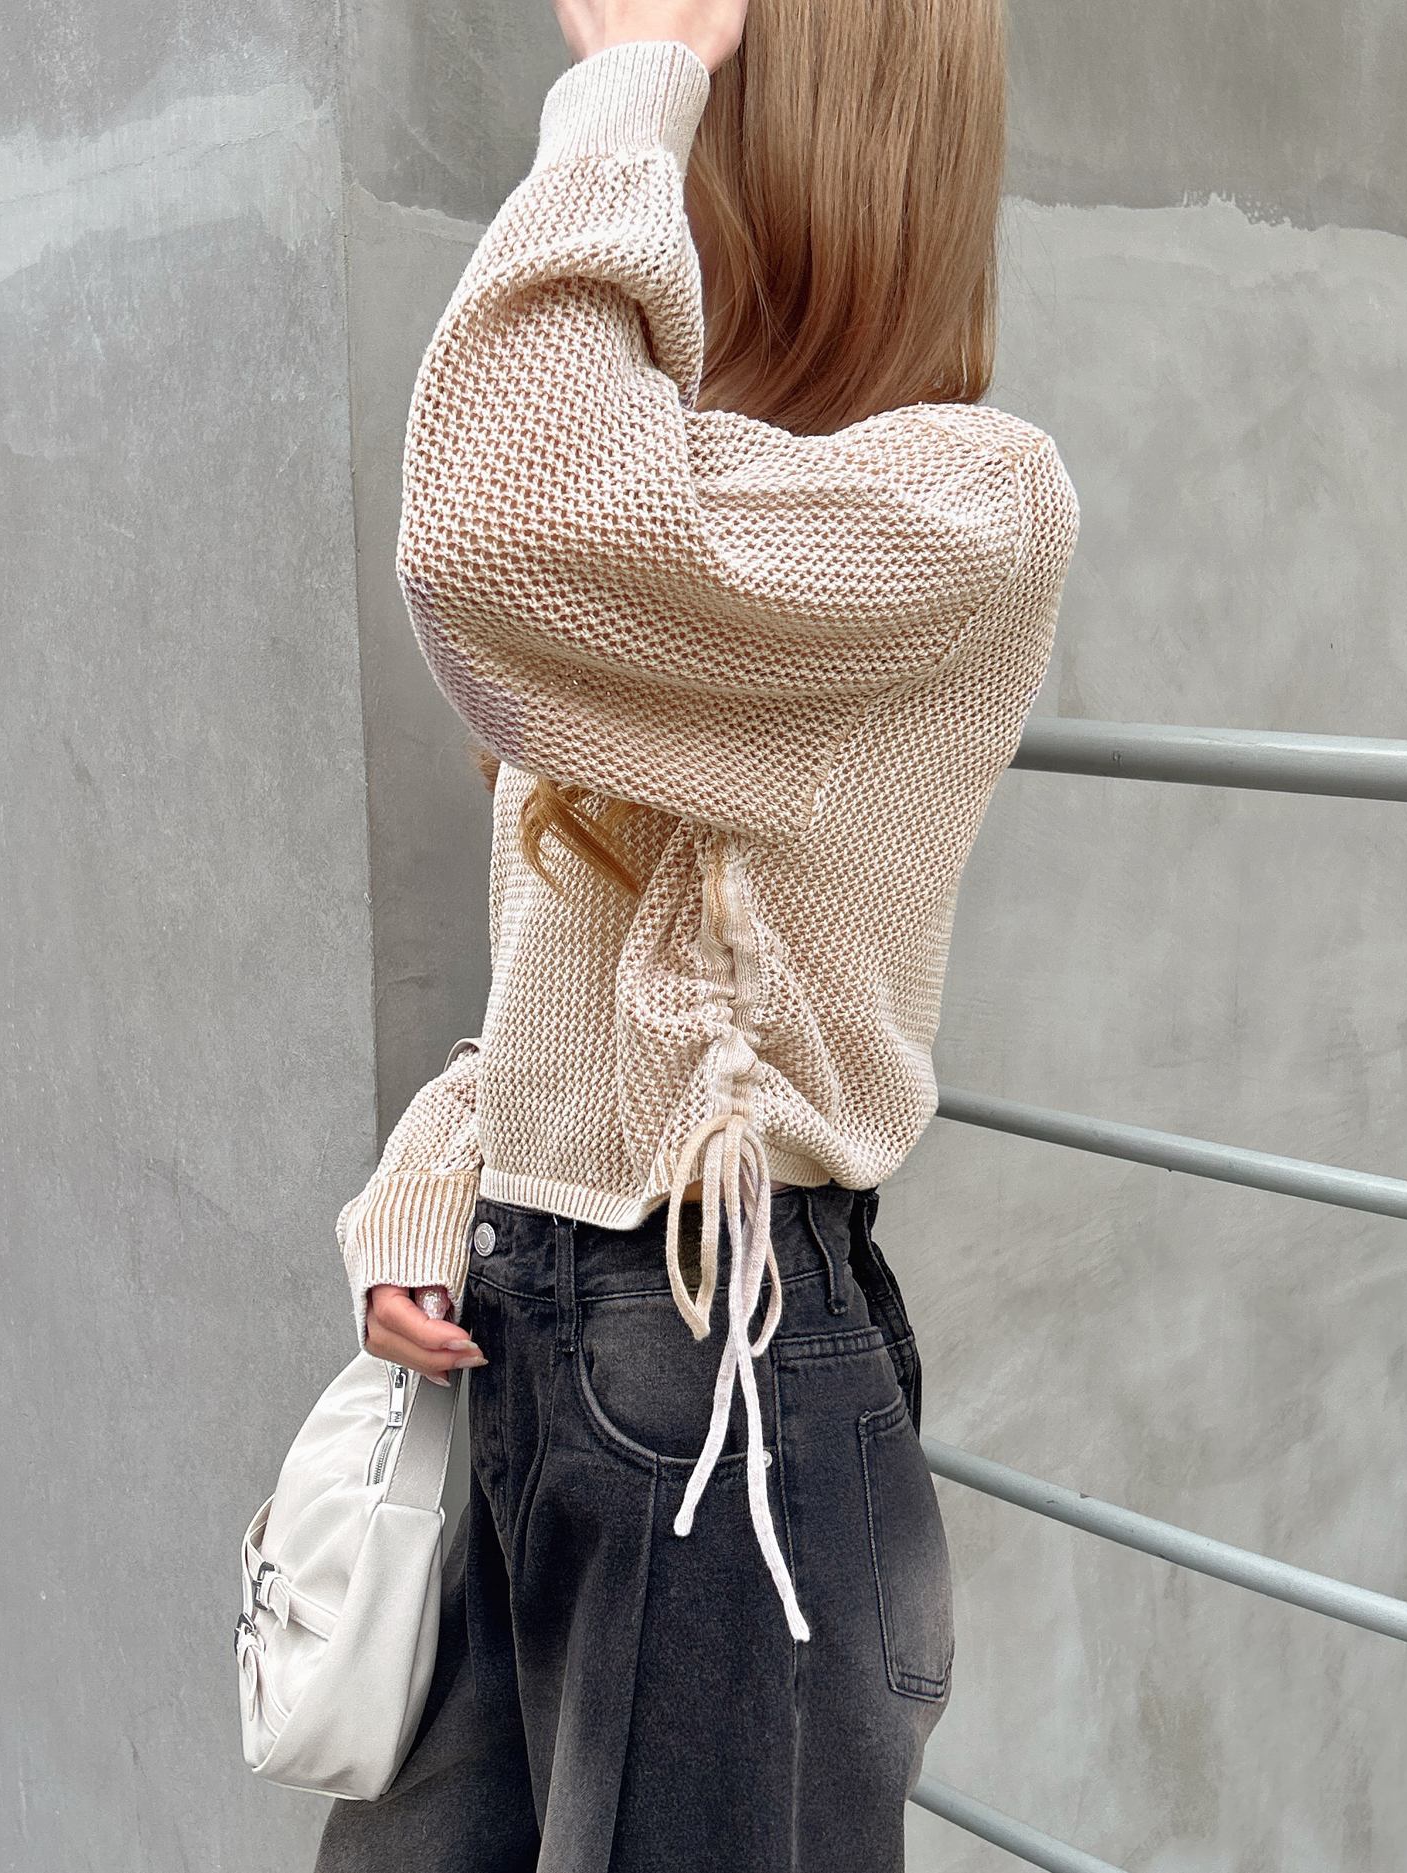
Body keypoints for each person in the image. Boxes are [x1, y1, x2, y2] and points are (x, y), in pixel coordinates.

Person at [317, 0, 1080, 1866]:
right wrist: (436, 1199)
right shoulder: (683, 525)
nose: (645, 179)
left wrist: (624, 85)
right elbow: (568, 997)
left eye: (691, 120)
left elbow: (494, 528)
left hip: (721, 1387)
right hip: (532, 1342)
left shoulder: (970, 504)